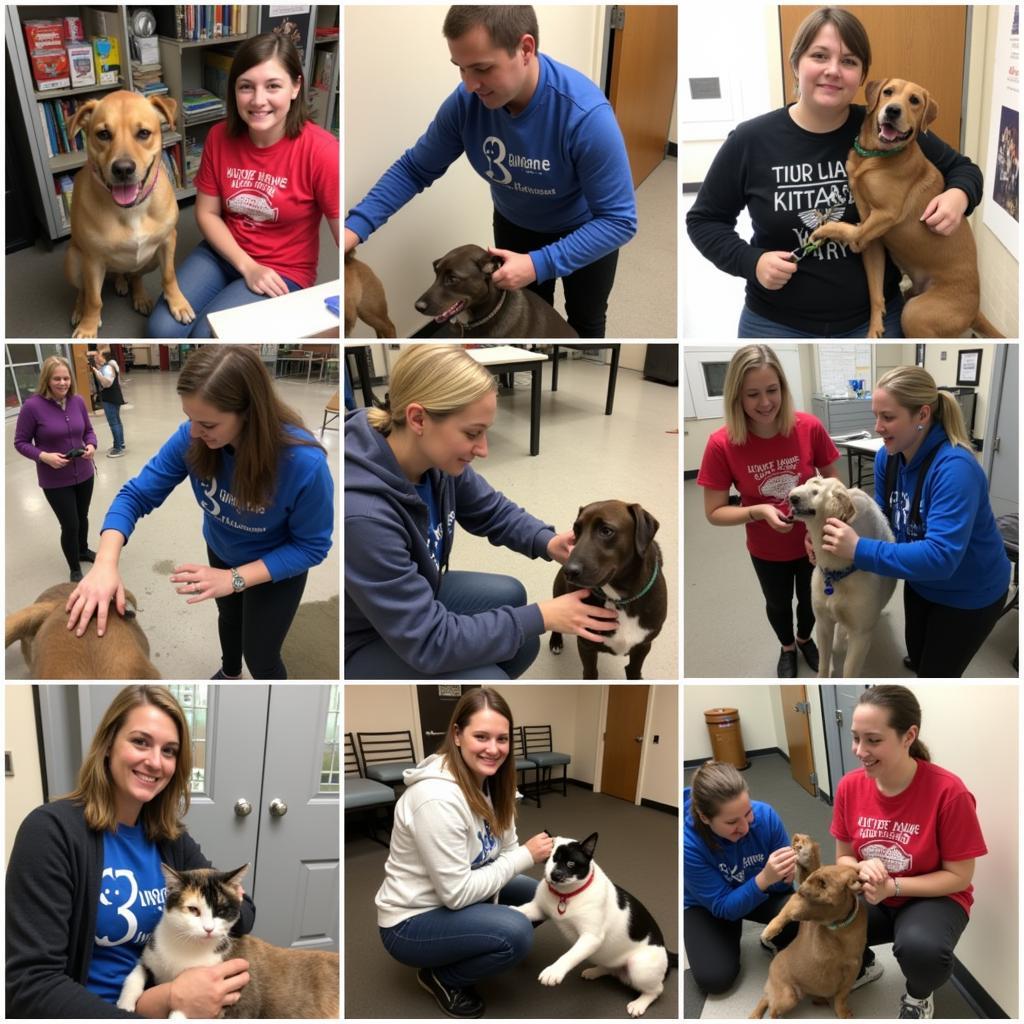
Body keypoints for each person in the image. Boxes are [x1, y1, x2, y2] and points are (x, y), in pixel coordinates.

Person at [686, 6, 985, 338]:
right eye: (819, 55)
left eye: (848, 61)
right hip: (775, 322)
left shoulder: (887, 129)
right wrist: (750, 261)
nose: (833, 70)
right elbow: (703, 221)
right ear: (796, 63)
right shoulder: (751, 139)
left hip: (874, 322)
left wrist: (959, 196)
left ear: (861, 76)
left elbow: (963, 169)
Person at [344, 5, 637, 338]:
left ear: (525, 49)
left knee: (585, 324)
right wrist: (354, 229)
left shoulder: (586, 117)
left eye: (482, 68)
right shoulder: (466, 104)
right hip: (516, 226)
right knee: (527, 323)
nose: (470, 85)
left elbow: (619, 220)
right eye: (461, 69)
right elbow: (414, 169)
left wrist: (539, 263)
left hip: (585, 231)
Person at [345, 343, 618, 679]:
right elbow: (430, 640)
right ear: (418, 418)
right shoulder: (363, 517)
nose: (484, 449)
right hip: (364, 637)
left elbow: (491, 510)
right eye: (472, 433)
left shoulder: (434, 458)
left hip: (414, 596)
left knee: (518, 620)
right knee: (498, 667)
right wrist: (545, 617)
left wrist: (547, 541)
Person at [66, 346, 334, 680]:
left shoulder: (302, 463)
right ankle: (230, 671)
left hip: (275, 569)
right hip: (222, 550)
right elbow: (135, 495)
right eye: (189, 418)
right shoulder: (192, 438)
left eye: (206, 423)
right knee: (230, 618)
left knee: (262, 655)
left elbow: (312, 546)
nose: (193, 432)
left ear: (249, 412)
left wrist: (234, 579)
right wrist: (105, 564)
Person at [6, 685, 253, 1018]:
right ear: (108, 744)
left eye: (169, 751)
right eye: (140, 742)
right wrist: (164, 1001)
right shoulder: (51, 833)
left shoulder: (171, 839)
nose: (155, 762)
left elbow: (245, 914)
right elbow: (30, 985)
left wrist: (171, 998)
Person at [819, 365, 1012, 677]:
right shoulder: (888, 457)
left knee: (937, 675)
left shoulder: (955, 469)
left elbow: (941, 558)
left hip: (969, 593)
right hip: (922, 584)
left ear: (922, 415)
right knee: (919, 656)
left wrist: (857, 549)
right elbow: (880, 521)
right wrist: (829, 537)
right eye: (876, 415)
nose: (878, 426)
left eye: (888, 417)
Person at [376, 687, 553, 1018]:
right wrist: (528, 855)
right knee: (517, 932)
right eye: (482, 737)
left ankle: (476, 941)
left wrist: (521, 856)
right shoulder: (436, 800)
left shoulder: (494, 784)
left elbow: (508, 851)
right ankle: (442, 977)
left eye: (502, 739)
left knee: (547, 896)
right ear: (457, 735)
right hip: (411, 920)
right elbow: (457, 894)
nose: (493, 749)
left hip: (458, 890)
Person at [147, 32, 339, 338]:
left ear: (295, 87)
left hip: (283, 270)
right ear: (234, 91)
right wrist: (246, 265)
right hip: (223, 252)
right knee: (161, 330)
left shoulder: (324, 151)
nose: (258, 100)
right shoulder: (219, 137)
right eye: (246, 86)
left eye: (273, 86)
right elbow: (207, 213)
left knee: (207, 336)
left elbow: (346, 238)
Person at [833, 685, 987, 1019]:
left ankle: (919, 996)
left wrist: (895, 886)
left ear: (908, 736)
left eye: (873, 740)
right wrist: (861, 868)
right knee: (821, 916)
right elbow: (843, 858)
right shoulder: (849, 786)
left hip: (934, 897)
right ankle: (863, 966)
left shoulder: (949, 792)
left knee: (922, 951)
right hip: (873, 893)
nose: (859, 750)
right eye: (856, 737)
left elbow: (960, 876)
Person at [697, 345, 840, 677]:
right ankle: (787, 647)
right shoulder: (721, 444)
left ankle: (805, 639)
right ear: (737, 397)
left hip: (812, 543)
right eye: (753, 394)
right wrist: (758, 511)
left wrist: (820, 527)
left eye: (772, 390)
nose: (765, 403)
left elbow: (835, 483)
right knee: (777, 603)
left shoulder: (808, 427)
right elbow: (714, 511)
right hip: (765, 548)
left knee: (810, 601)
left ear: (783, 388)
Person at [13, 355, 98, 582]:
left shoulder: (78, 401)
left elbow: (88, 430)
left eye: (66, 378)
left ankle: (82, 549)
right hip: (55, 479)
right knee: (70, 524)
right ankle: (74, 567)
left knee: (83, 516)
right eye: (57, 379)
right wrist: (44, 456)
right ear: (47, 380)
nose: (63, 383)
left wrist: (91, 445)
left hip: (85, 473)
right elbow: (20, 443)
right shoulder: (32, 407)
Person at [89, 349, 127, 458]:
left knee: (114, 423)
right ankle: (120, 443)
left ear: (105, 357)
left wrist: (96, 371)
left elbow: (106, 383)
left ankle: (118, 448)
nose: (97, 357)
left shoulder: (107, 368)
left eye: (99, 356)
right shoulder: (110, 366)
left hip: (110, 398)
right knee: (117, 422)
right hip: (114, 397)